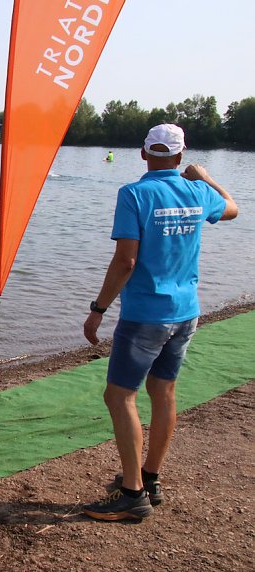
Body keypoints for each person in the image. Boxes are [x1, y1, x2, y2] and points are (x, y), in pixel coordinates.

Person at [82, 124, 238, 521]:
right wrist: (206, 178)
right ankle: (150, 478)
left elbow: (126, 261)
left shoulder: (134, 194)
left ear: (142, 153)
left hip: (145, 317)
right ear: (181, 157)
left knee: (119, 397)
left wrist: (98, 309)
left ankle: (132, 493)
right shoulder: (198, 192)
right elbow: (233, 208)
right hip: (187, 311)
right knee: (163, 392)